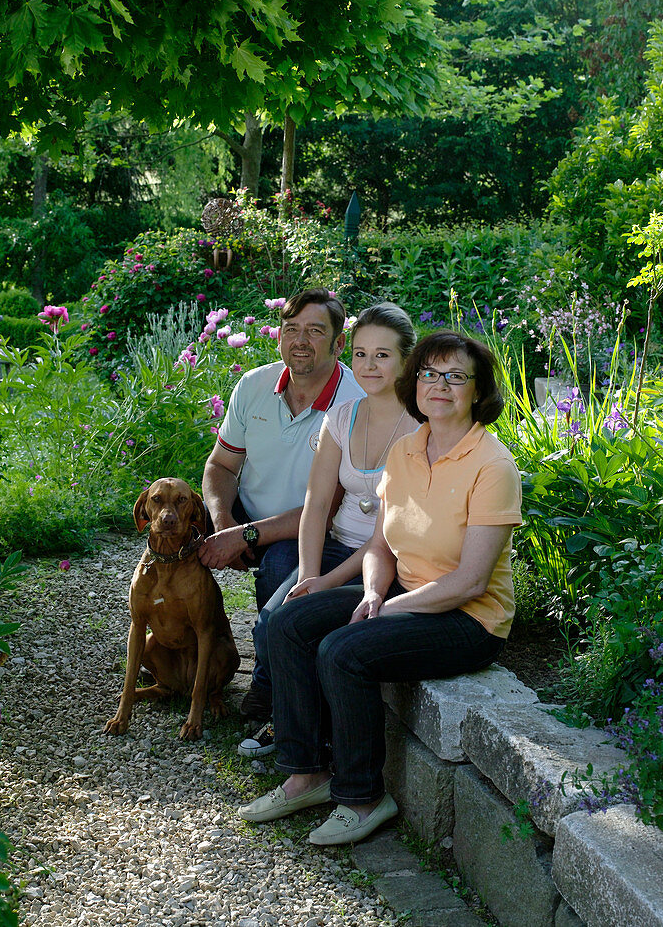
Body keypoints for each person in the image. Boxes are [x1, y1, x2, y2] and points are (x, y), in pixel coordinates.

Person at [238, 331, 522, 846]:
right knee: (288, 624)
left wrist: (389, 610)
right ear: (414, 384)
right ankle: (306, 774)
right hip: (403, 594)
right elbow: (382, 546)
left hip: (467, 619)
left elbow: (469, 581)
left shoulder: (492, 466)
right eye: (429, 375)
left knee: (343, 652)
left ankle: (363, 796)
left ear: (478, 392)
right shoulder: (408, 450)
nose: (440, 386)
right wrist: (372, 595)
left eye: (455, 376)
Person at [237, 303, 418, 758]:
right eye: (361, 355)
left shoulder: (419, 430)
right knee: (272, 623)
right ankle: (292, 726)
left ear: (406, 362)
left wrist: (326, 584)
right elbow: (318, 506)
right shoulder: (341, 418)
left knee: (304, 626)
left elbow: (388, 536)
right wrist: (307, 577)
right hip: (337, 546)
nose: (369, 366)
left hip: (385, 562)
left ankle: (302, 736)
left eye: (382, 355)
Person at [198, 287, 363, 724]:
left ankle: (268, 686)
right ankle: (185, 662)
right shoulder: (253, 385)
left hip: (318, 532)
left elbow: (326, 508)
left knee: (279, 565)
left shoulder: (356, 401)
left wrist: (247, 536)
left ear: (339, 342)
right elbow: (220, 466)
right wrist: (223, 522)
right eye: (292, 329)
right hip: (246, 517)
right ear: (279, 337)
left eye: (315, 330)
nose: (301, 340)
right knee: (173, 529)